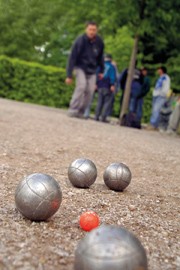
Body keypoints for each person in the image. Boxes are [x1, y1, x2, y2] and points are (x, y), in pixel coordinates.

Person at [65, 21, 104, 118]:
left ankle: (81, 111)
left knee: (90, 91)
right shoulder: (80, 41)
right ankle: (73, 109)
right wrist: (69, 75)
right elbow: (72, 57)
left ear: (97, 30)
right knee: (81, 86)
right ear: (86, 29)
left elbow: (100, 57)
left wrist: (102, 70)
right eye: (90, 29)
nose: (92, 32)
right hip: (80, 67)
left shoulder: (99, 42)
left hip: (92, 69)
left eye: (94, 30)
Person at [95, 54, 116, 122]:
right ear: (110, 59)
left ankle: (96, 116)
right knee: (107, 102)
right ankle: (103, 117)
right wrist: (112, 85)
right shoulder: (112, 67)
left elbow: (96, 74)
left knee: (99, 101)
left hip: (100, 85)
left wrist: (96, 83)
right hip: (107, 86)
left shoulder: (100, 66)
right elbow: (112, 76)